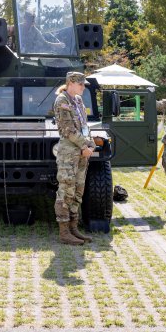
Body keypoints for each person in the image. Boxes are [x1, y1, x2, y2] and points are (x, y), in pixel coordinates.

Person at [53, 71, 95, 245]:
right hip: (69, 153)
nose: (83, 87)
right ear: (71, 83)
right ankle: (64, 232)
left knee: (78, 190)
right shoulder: (62, 101)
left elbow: (85, 126)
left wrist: (90, 143)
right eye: (81, 84)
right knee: (66, 190)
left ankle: (73, 228)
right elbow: (67, 129)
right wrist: (85, 146)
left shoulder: (78, 100)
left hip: (81, 153)